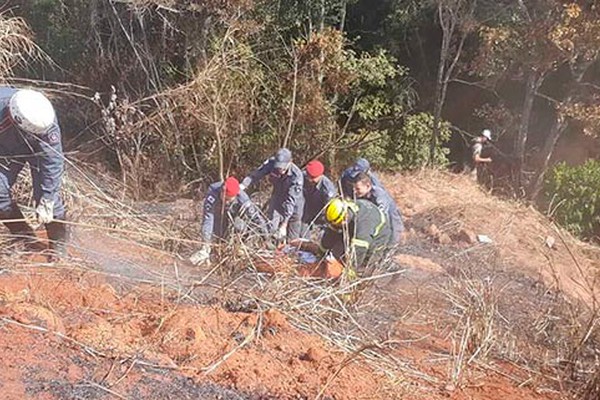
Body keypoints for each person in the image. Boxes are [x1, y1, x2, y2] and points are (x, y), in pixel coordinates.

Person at [0, 87, 68, 259]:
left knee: (50, 202)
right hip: (6, 149)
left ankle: (58, 245)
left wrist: (47, 199)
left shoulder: (46, 125)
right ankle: (24, 236)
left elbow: (52, 163)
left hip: (38, 150)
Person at [190, 176, 268, 265]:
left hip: (235, 217)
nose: (226, 202)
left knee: (239, 226)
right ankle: (215, 252)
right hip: (218, 216)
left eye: (229, 199)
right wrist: (206, 244)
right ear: (221, 192)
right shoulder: (213, 193)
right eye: (225, 198)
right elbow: (208, 220)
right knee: (218, 235)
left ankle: (238, 249)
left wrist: (267, 237)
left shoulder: (242, 198)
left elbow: (255, 217)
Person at [240, 148, 304, 241]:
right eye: (278, 167)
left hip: (294, 205)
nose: (280, 170)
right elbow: (256, 174)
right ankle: (272, 249)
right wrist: (243, 185)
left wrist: (284, 224)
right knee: (271, 229)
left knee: (292, 238)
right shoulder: (271, 163)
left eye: (282, 167)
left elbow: (291, 200)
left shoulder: (296, 176)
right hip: (277, 198)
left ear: (290, 162)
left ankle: (290, 252)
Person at [320, 198, 392, 272]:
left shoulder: (364, 224)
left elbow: (359, 250)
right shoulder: (345, 209)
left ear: (345, 219)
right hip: (356, 227)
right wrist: (322, 252)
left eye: (338, 224)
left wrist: (350, 271)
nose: (335, 227)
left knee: (364, 266)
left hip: (377, 238)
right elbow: (332, 232)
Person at [352, 172, 404, 244]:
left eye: (357, 189)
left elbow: (383, 217)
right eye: (354, 188)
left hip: (392, 225)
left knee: (388, 248)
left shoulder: (379, 196)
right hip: (381, 227)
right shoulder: (361, 196)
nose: (354, 191)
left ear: (368, 186)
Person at [301, 160, 337, 238]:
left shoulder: (328, 189)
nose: (309, 179)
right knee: (302, 238)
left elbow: (329, 210)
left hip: (321, 218)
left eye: (313, 178)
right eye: (308, 176)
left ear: (320, 175)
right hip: (306, 214)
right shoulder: (303, 176)